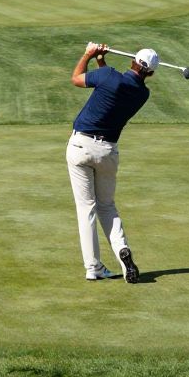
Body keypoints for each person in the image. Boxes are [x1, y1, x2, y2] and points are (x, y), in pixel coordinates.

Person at [67, 41, 156, 283]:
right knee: (106, 206)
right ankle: (122, 250)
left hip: (80, 146)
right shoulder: (142, 94)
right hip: (107, 152)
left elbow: (76, 79)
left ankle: (93, 267)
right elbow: (113, 86)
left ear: (132, 61)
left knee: (86, 208)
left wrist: (88, 54)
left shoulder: (108, 76)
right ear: (150, 73)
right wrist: (100, 60)